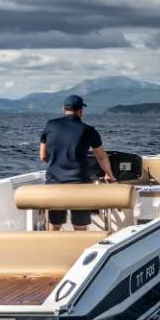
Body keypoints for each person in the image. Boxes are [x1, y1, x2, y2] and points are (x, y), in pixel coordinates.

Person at [38, 96, 115, 230]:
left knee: (55, 225)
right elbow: (102, 157)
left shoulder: (50, 125)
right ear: (81, 111)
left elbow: (43, 156)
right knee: (80, 226)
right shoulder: (88, 130)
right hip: (79, 184)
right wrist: (109, 174)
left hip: (54, 183)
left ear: (64, 109)